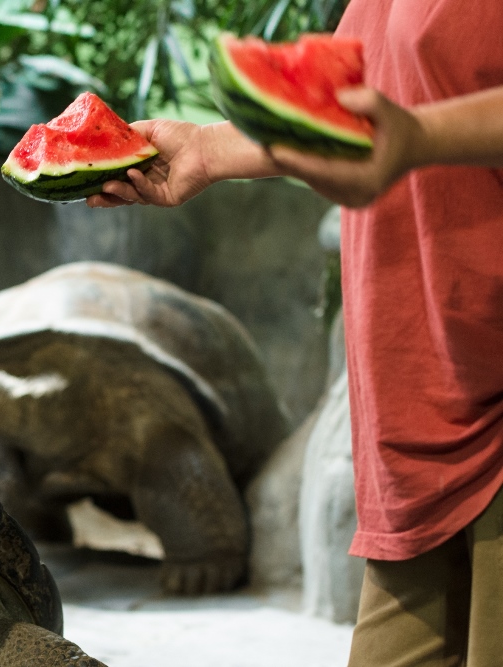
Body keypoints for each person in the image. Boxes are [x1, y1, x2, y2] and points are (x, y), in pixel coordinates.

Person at [87, 2, 503, 665]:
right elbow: (358, 115)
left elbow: (404, 127)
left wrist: (419, 137)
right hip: (419, 421)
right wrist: (206, 148)